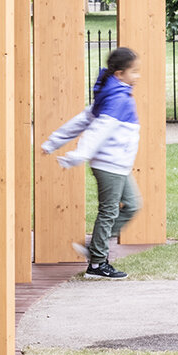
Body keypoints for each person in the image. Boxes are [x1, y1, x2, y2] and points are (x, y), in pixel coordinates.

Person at [41, 46, 142, 280]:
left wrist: (54, 141)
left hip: (118, 165)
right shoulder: (116, 98)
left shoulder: (113, 93)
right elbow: (97, 129)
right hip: (109, 165)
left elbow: (82, 120)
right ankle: (97, 265)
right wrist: (78, 154)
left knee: (133, 205)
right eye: (134, 72)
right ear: (120, 74)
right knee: (108, 211)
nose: (137, 76)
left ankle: (95, 248)